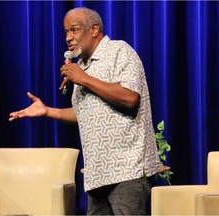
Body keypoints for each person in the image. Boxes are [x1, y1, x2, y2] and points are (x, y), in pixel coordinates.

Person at [9, 7, 161, 215]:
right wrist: (47, 111)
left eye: (74, 30)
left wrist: (83, 79)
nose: (69, 38)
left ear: (94, 29)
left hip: (128, 169)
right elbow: (85, 114)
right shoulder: (82, 66)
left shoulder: (118, 51)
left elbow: (130, 98)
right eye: (65, 32)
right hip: (97, 173)